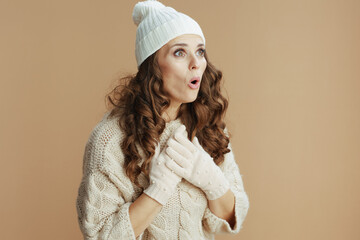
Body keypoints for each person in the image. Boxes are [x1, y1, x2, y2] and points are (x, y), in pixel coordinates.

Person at [76, 0, 249, 239]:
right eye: (180, 52)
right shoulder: (110, 139)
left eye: (200, 51)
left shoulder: (207, 126)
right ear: (152, 66)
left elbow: (234, 215)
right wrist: (158, 190)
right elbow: (100, 235)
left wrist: (212, 180)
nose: (196, 63)